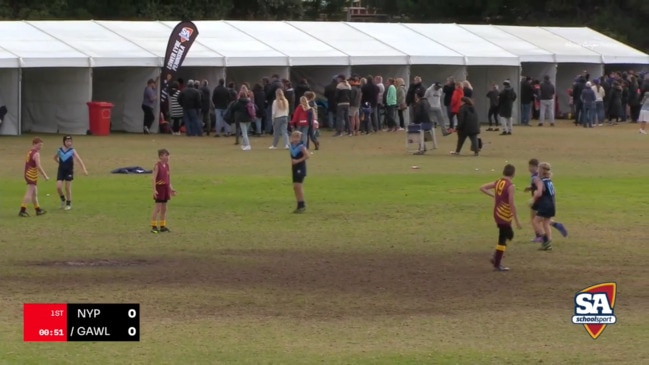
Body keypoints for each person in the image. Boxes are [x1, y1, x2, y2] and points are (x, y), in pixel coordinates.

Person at [480, 164, 522, 271]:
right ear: (513, 174)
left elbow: (482, 187)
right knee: (503, 238)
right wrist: (517, 220)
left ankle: (496, 256)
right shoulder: (510, 186)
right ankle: (497, 262)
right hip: (504, 214)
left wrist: (494, 196)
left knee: (509, 235)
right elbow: (512, 203)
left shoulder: (498, 182)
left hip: (497, 212)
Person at [524, 159, 567, 242]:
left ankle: (541, 237)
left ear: (538, 168)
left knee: (535, 220)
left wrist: (533, 199)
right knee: (544, 220)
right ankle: (551, 233)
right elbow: (551, 190)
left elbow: (539, 191)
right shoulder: (547, 179)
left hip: (541, 201)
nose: (530, 168)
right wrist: (530, 188)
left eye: (532, 167)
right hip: (548, 202)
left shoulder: (537, 178)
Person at [53, 135, 88, 210]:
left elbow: (79, 160)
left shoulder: (72, 150)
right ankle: (63, 199)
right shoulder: (59, 150)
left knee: (67, 187)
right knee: (58, 187)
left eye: (70, 141)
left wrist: (84, 169)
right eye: (67, 141)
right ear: (64, 142)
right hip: (61, 170)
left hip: (69, 171)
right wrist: (59, 162)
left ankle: (68, 203)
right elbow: (54, 157)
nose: (69, 143)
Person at [19, 137, 49, 217]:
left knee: (34, 193)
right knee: (29, 192)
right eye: (39, 145)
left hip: (28, 173)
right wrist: (45, 176)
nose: (40, 147)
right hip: (31, 174)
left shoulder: (30, 152)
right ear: (34, 144)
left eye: (41, 145)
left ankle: (38, 209)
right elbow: (38, 166)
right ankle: (22, 210)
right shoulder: (36, 154)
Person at [531, 162, 557, 251]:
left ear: (541, 170)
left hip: (545, 205)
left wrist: (533, 200)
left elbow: (539, 193)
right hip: (552, 204)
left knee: (535, 221)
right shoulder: (550, 181)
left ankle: (545, 239)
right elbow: (554, 193)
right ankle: (549, 243)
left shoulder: (540, 181)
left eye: (539, 168)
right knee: (546, 223)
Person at [150, 149, 176, 233]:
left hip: (165, 190)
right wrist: (154, 190)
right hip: (159, 189)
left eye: (168, 155)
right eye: (166, 155)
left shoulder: (167, 166)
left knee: (164, 208)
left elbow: (168, 179)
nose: (167, 157)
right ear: (161, 156)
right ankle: (154, 226)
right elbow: (153, 178)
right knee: (157, 208)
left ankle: (162, 226)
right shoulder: (157, 166)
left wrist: (171, 189)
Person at [289, 131, 309, 214]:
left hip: (300, 167)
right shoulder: (291, 145)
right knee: (295, 187)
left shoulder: (301, 146)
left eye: (297, 137)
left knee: (298, 186)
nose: (296, 139)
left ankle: (302, 204)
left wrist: (297, 161)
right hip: (294, 167)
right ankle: (299, 204)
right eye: (294, 137)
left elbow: (307, 156)